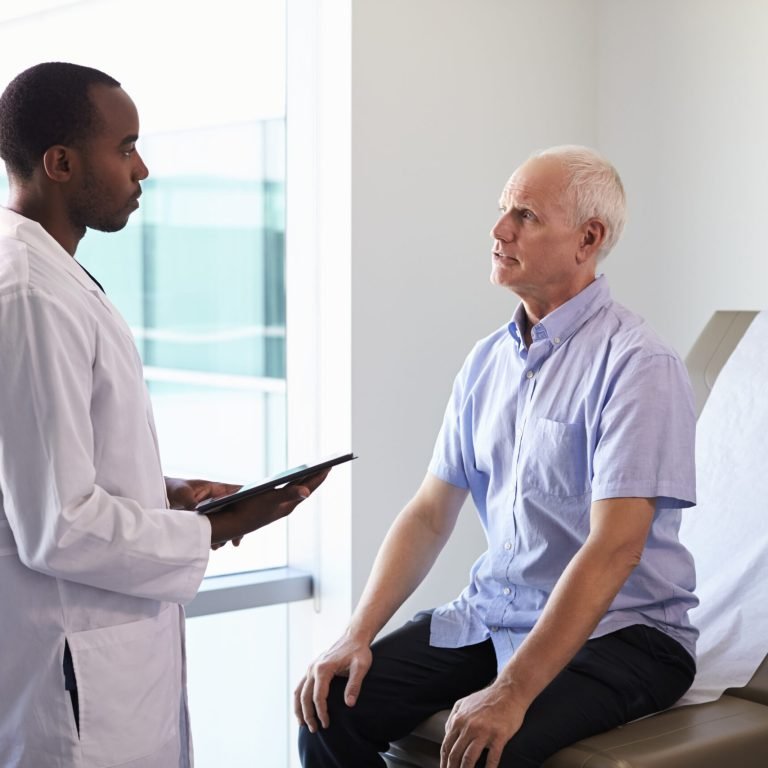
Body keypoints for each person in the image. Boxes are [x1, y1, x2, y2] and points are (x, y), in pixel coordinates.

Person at [295, 146, 698, 768]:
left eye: (526, 216)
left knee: (491, 751)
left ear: (587, 239)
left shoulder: (638, 364)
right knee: (328, 710)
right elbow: (431, 513)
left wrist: (511, 692)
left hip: (624, 635)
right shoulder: (487, 361)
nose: (498, 229)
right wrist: (357, 634)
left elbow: (616, 545)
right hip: (496, 613)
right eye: (502, 210)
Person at [0, 62, 328, 768]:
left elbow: (36, 466)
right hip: (72, 679)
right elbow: (57, 525)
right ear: (59, 163)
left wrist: (164, 491)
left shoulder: (48, 277)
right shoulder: (30, 295)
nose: (142, 168)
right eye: (124, 148)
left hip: (98, 662)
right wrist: (209, 529)